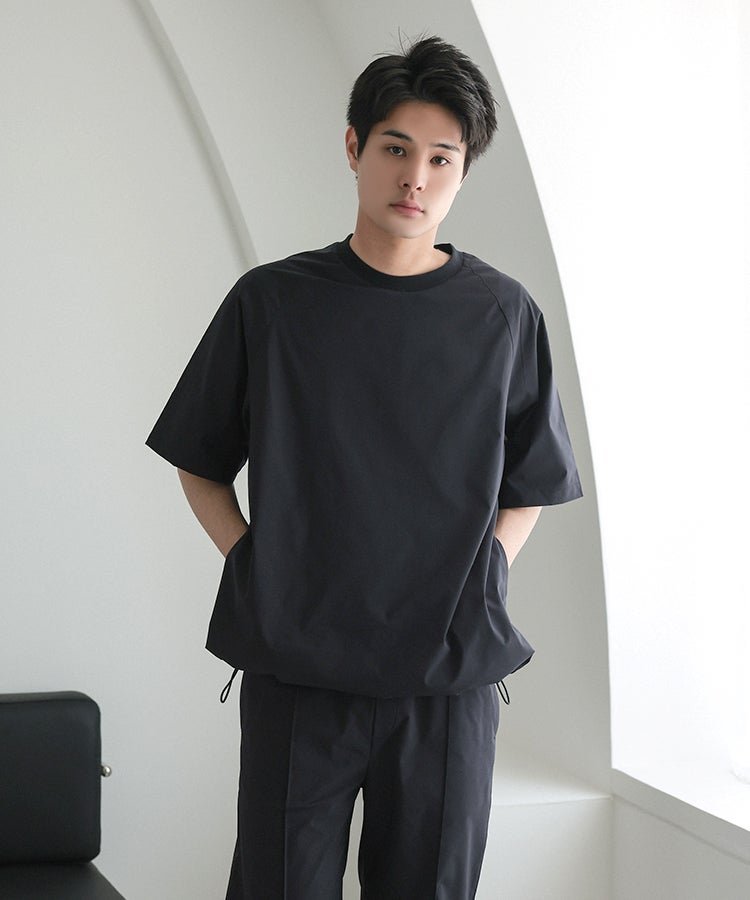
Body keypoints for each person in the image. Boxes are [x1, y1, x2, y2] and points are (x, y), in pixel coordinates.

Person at [147, 35, 582, 900]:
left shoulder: (502, 315)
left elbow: (531, 483)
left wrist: (485, 573)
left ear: (463, 172)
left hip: (448, 683)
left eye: (441, 158)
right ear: (354, 147)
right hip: (300, 675)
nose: (415, 177)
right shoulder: (273, 302)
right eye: (395, 148)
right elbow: (198, 461)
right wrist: (256, 561)